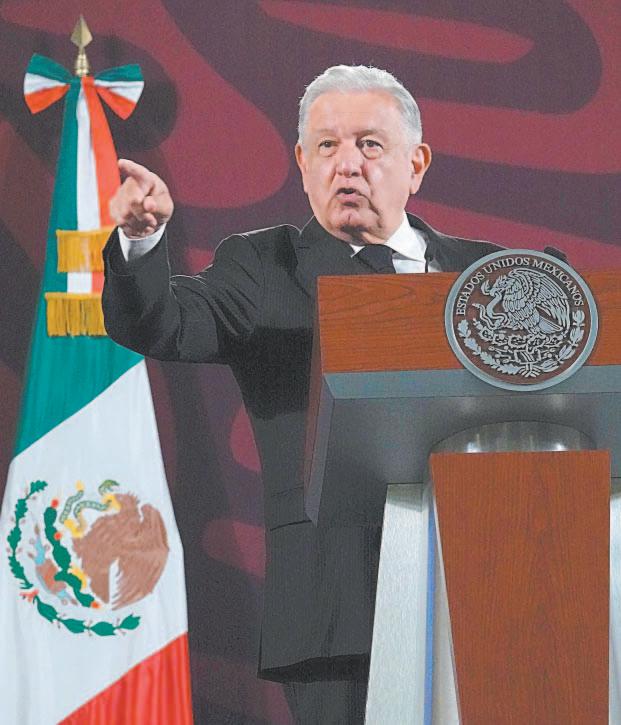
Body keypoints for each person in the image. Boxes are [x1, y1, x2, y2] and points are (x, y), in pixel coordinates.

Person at [102, 64, 502, 724]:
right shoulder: (264, 269)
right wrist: (141, 243)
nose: (347, 164)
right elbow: (161, 322)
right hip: (333, 616)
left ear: (416, 163)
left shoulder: (490, 276)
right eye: (327, 146)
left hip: (491, 601)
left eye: (369, 144)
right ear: (302, 164)